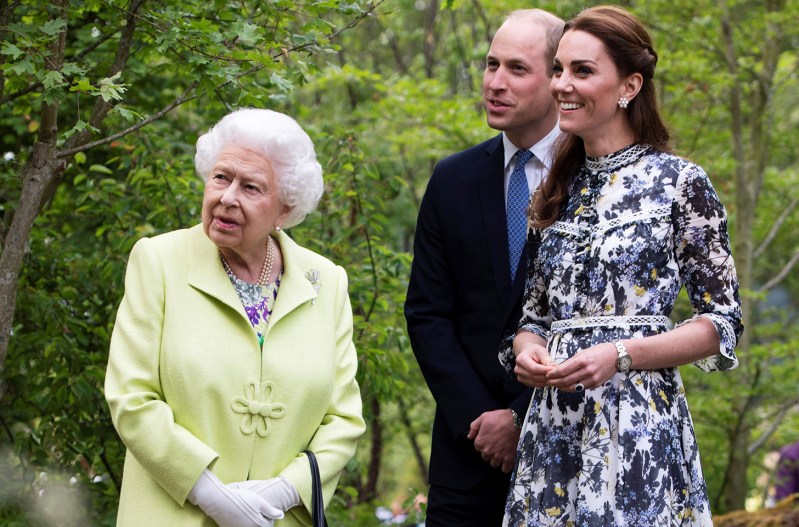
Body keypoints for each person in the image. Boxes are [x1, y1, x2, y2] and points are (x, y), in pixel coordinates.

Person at [499, 5, 743, 525]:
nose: (563, 84)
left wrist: (622, 353)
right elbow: (534, 318)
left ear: (629, 86)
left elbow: (721, 323)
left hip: (638, 428)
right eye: (560, 69)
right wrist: (529, 352)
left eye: (583, 71)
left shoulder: (680, 183)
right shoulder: (555, 189)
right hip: (553, 431)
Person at [104, 108, 366, 527]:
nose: (227, 197)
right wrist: (210, 494)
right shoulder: (159, 261)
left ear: (284, 209)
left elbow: (344, 419)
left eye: (251, 187)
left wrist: (284, 490)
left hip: (277, 518)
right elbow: (132, 398)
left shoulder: (326, 282)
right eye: (221, 177)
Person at [404, 9, 563, 526]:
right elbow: (428, 314)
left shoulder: (595, 180)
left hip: (568, 451)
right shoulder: (451, 179)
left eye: (517, 69)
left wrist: (520, 416)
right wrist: (484, 420)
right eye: (491, 64)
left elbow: (604, 318)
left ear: (557, 77)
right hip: (464, 458)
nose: (495, 82)